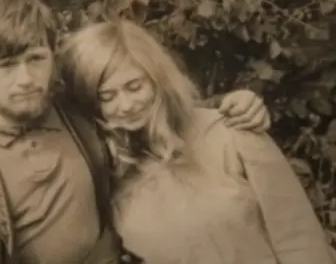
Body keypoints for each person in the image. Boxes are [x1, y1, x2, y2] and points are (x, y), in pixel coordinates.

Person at [0, 0, 270, 263]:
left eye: (35, 59)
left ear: (52, 56)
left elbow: (150, 110)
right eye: (6, 66)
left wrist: (229, 105)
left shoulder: (81, 114)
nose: (25, 78)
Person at [59, 19, 335, 264]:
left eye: (134, 86)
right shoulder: (107, 174)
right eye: (107, 96)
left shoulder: (232, 131)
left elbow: (299, 238)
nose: (126, 104)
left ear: (157, 79)